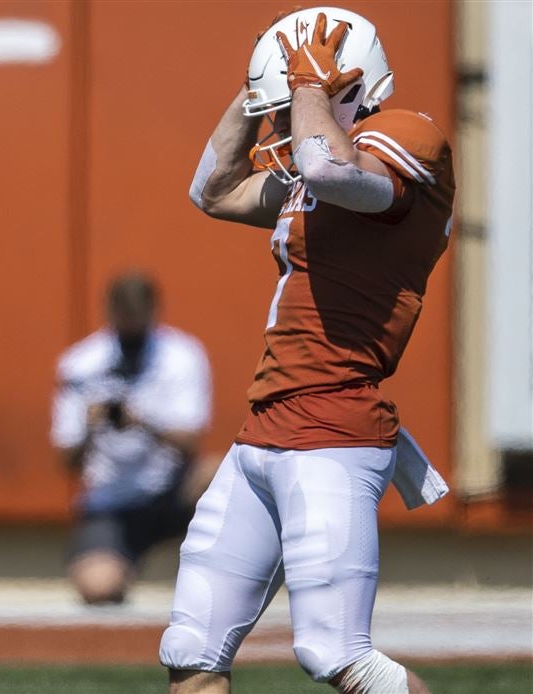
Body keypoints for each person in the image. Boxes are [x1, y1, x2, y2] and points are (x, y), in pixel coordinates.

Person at [160, 7, 453, 694]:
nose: (282, 122)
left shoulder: (406, 137)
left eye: (292, 100)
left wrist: (310, 91)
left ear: (344, 83)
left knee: (338, 655)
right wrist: (258, 84)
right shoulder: (319, 162)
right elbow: (211, 190)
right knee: (191, 651)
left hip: (335, 429)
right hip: (262, 431)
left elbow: (327, 166)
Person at [52, 272, 212, 605]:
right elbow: (66, 461)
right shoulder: (80, 364)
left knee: (221, 472)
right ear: (110, 314)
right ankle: (118, 568)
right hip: (111, 502)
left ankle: (219, 581)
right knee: (98, 588)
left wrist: (143, 421)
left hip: (171, 491)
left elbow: (191, 443)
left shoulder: (181, 355)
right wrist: (90, 426)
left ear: (154, 312)